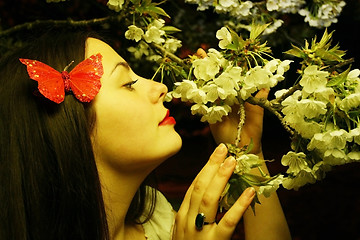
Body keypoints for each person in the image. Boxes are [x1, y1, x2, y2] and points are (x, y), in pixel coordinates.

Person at [0, 29, 291, 240]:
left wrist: (246, 151)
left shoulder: (155, 215)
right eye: (127, 83)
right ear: (68, 125)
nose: (159, 88)